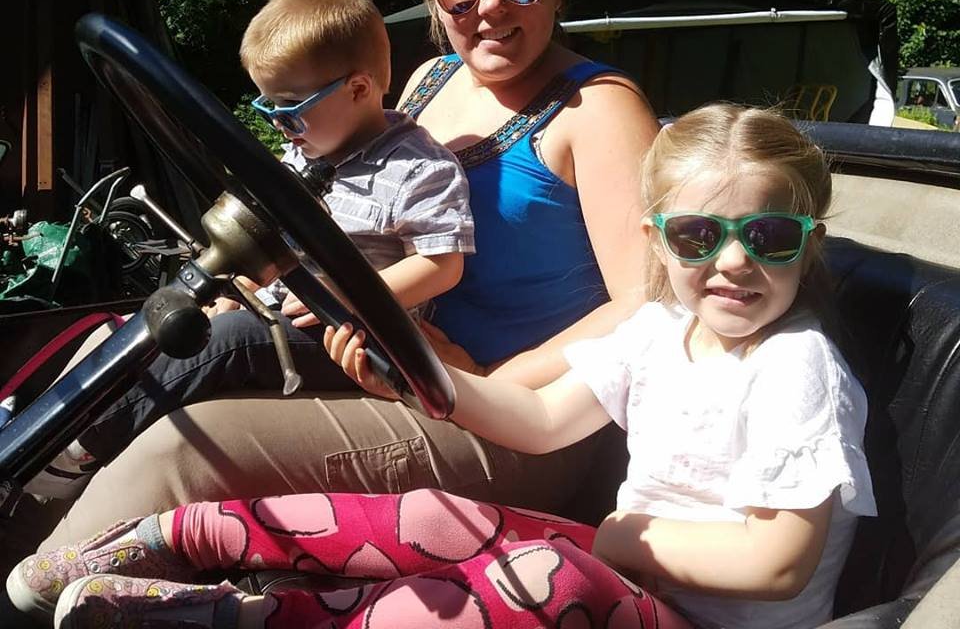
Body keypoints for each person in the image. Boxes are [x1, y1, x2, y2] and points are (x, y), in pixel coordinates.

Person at [10, 104, 876, 629]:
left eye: (768, 236)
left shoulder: (796, 365)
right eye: (698, 235)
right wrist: (421, 381)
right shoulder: (661, 328)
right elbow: (541, 419)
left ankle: (261, 616)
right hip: (633, 573)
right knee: (436, 516)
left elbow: (778, 566)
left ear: (809, 244)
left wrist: (621, 538)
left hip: (689, 609)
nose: (732, 262)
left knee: (547, 575)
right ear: (658, 241)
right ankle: (174, 540)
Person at [26, 0, 660, 555]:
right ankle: (28, 487)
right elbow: (352, 210)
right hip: (383, 358)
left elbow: (646, 303)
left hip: (512, 417)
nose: (490, 4)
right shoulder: (431, 80)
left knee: (184, 450)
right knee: (140, 340)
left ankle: (28, 586)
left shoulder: (598, 108)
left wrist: (492, 384)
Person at [25, 0, 474, 500]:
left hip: (353, 338)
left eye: (290, 111)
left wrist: (351, 294)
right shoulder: (301, 154)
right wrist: (236, 288)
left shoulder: (419, 168)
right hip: (279, 308)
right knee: (148, 319)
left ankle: (71, 451)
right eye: (268, 110)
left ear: (357, 89)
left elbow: (443, 265)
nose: (280, 126)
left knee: (227, 344)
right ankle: (36, 418)